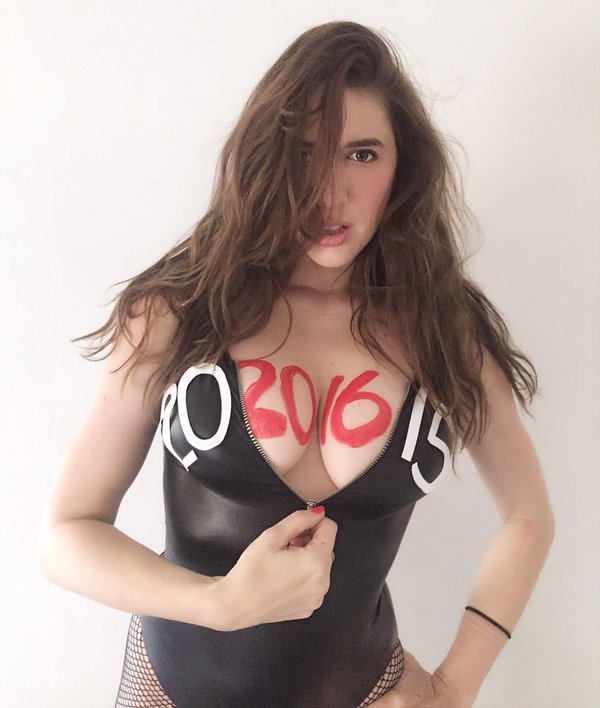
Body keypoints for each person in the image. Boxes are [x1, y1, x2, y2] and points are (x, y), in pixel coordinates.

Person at [36, 20, 555, 708]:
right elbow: (66, 535)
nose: (329, 191)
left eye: (362, 154)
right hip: (171, 687)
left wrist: (455, 686)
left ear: (403, 167)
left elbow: (528, 516)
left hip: (366, 690)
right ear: (266, 158)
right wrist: (220, 603)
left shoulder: (443, 330)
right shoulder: (180, 311)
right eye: (303, 152)